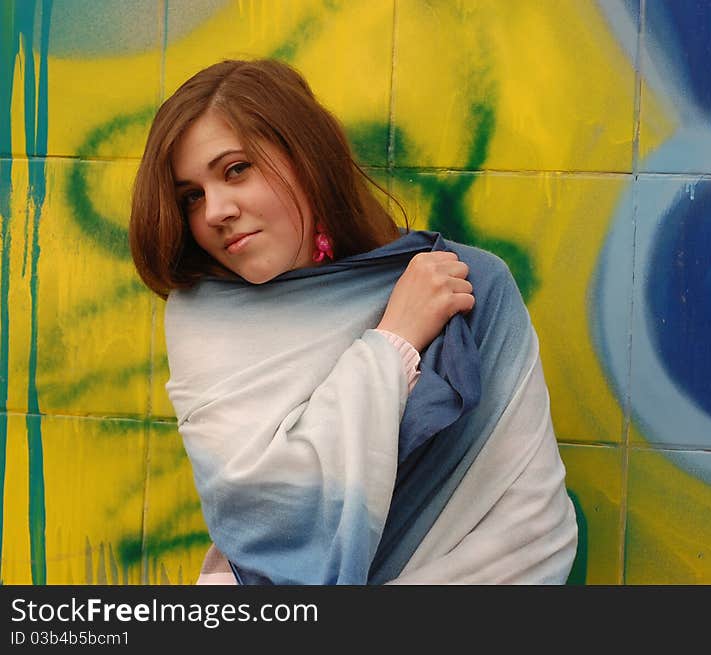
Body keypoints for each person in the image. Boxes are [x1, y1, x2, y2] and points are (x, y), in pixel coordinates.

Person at [129, 58, 577, 584]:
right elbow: (268, 521)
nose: (214, 212)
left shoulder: (468, 288)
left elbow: (534, 529)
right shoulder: (204, 320)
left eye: (235, 170)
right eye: (192, 197)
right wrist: (394, 342)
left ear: (304, 156)